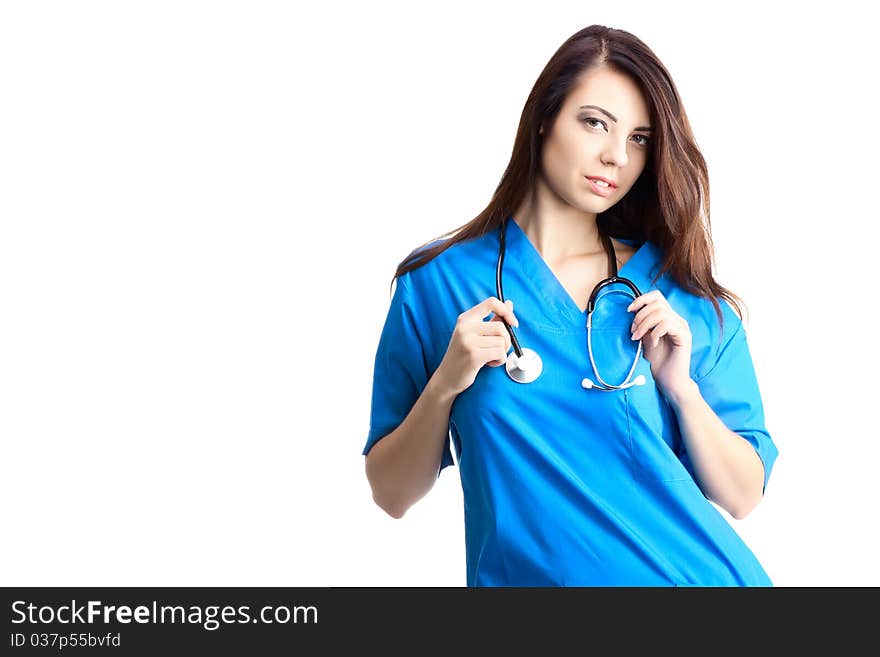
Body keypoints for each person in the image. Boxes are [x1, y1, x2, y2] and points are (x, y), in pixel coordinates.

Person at [362, 25, 779, 586]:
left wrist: (682, 390)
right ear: (543, 119)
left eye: (639, 138)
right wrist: (444, 384)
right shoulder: (438, 283)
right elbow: (390, 493)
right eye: (594, 123)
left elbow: (744, 494)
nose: (615, 157)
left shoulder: (675, 296)